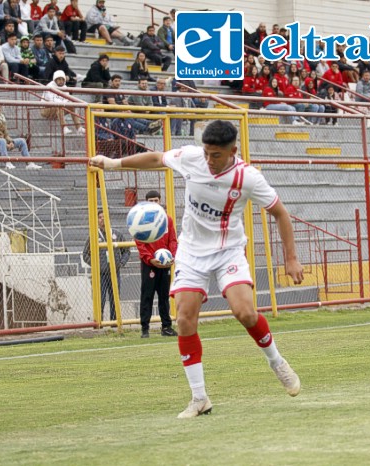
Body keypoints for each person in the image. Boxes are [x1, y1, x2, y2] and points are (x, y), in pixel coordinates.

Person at [89, 120, 304, 419]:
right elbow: (156, 158)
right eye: (206, 153)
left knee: (244, 312)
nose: (208, 160)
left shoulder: (248, 178)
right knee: (185, 318)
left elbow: (280, 213)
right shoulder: (192, 157)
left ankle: (276, 361)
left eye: (216, 155)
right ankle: (199, 397)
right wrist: (112, 163)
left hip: (228, 250)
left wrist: (291, 258)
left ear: (233, 151)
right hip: (191, 251)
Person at [135, 191, 178, 338]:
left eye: (156, 200)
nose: (154, 203)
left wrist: (172, 255)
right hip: (150, 264)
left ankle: (166, 327)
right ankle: (145, 328)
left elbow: (172, 239)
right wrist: (150, 259)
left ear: (160, 201)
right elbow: (139, 243)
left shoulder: (168, 220)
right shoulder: (141, 221)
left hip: (165, 263)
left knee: (164, 296)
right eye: (150, 201)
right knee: (147, 295)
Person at [82, 209, 130, 321]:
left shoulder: (117, 234)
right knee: (100, 298)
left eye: (105, 217)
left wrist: (121, 263)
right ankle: (100, 321)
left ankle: (114, 322)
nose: (103, 219)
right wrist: (96, 264)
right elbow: (85, 254)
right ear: (97, 220)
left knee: (115, 298)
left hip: (114, 272)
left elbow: (126, 250)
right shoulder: (93, 236)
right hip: (100, 274)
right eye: (100, 217)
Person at [0, 104, 42, 169]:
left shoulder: (2, 118)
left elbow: (6, 135)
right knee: (2, 141)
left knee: (22, 141)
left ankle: (29, 163)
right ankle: (7, 162)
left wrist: (11, 142)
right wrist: (6, 144)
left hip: (3, 142)